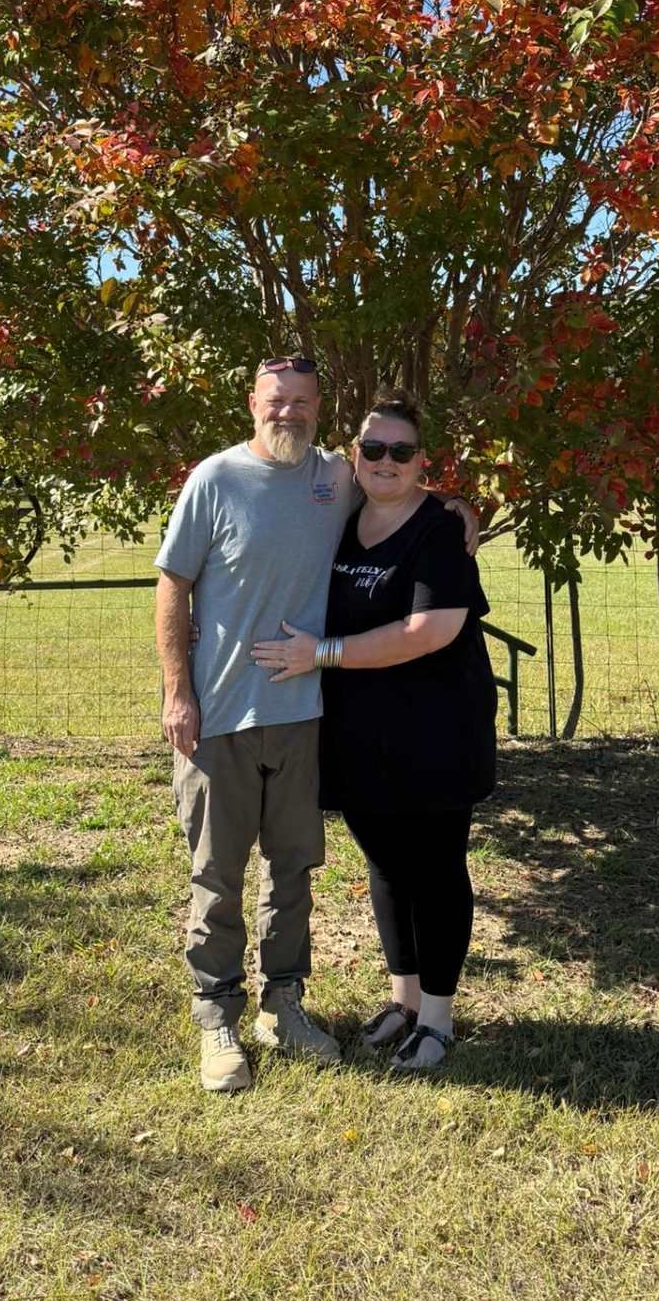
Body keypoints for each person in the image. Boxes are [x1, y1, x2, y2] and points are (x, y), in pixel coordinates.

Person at [155, 358, 476, 1093]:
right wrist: (179, 693)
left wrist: (458, 505)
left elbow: (410, 496)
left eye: (303, 403)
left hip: (305, 719)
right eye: (277, 401)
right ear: (253, 403)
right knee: (216, 873)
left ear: (320, 409)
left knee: (293, 871)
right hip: (222, 715)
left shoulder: (334, 479)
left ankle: (284, 1005)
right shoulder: (216, 479)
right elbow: (172, 585)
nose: (289, 414)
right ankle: (217, 1019)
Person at [251, 391, 496, 1072]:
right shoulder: (343, 517)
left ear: (423, 462)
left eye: (402, 451)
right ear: (352, 454)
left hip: (437, 731)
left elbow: (431, 631)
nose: (386, 461)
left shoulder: (439, 529)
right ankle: (404, 1000)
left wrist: (321, 653)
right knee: (386, 864)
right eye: (373, 448)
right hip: (360, 732)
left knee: (436, 868)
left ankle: (439, 1020)